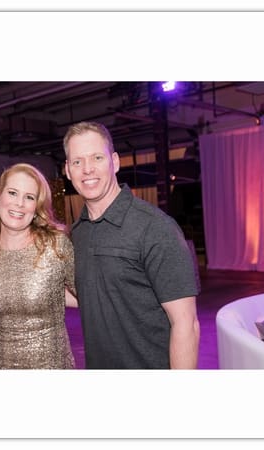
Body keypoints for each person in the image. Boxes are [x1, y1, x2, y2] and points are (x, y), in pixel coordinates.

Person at [63, 121, 200, 369]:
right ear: (68, 170)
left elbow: (186, 323)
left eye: (96, 158)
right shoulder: (78, 231)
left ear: (114, 162)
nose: (87, 169)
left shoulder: (156, 228)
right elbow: (93, 293)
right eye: (77, 162)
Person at [0, 163, 77, 369]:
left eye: (29, 197)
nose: (20, 203)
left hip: (50, 366)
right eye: (13, 193)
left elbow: (91, 298)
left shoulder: (55, 246)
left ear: (37, 207)